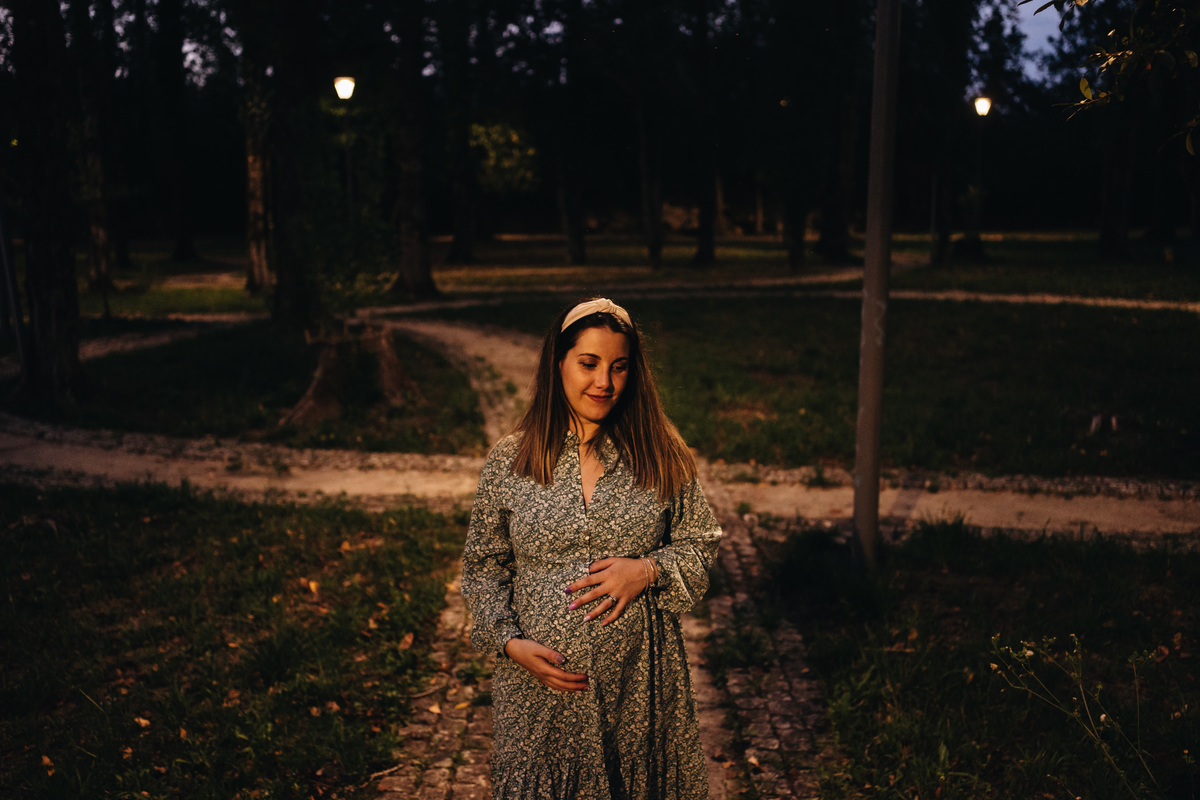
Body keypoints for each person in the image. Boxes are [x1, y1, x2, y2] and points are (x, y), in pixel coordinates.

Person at [462, 297, 723, 800]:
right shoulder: (510, 460)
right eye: (588, 363)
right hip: (537, 700)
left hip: (639, 692)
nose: (604, 382)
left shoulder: (661, 452)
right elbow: (483, 568)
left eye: (619, 366)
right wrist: (510, 643)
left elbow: (700, 543)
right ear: (558, 363)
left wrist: (646, 570)